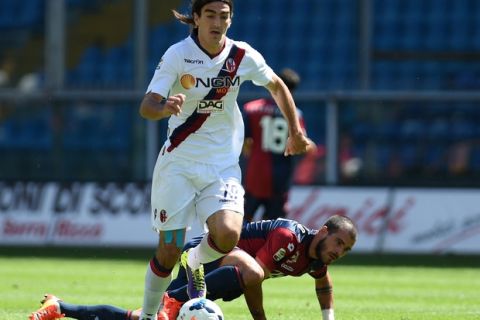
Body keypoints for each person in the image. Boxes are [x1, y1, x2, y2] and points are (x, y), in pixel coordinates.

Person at [137, 1, 311, 319]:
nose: (217, 22)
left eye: (224, 16)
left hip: (221, 166)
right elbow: (147, 105)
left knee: (229, 234)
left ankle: (194, 262)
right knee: (168, 249)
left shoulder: (241, 55)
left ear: (231, 20)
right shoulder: (178, 55)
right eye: (210, 15)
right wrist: (164, 108)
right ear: (197, 18)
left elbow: (277, 85)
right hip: (179, 164)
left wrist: (295, 132)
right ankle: (149, 315)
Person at [29, 215, 357, 320]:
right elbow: (253, 274)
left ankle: (60, 307)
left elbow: (323, 285)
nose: (340, 252)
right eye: (339, 243)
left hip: (225, 270)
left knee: (144, 318)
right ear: (324, 232)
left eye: (346, 250)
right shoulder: (288, 237)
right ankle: (173, 304)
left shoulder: (315, 257)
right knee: (252, 274)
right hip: (201, 256)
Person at [241, 68, 316, 221]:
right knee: (273, 229)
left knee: (242, 224)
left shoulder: (251, 108)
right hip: (280, 179)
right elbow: (302, 145)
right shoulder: (294, 114)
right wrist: (310, 146)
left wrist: (252, 154)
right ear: (293, 91)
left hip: (254, 175)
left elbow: (243, 141)